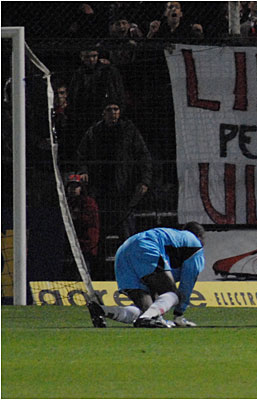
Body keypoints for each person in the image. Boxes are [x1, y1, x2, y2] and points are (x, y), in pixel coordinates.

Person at [76, 100, 152, 272]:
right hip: (101, 192)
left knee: (127, 236)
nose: (113, 113)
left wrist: (144, 181)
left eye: (116, 109)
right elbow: (81, 155)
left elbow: (144, 156)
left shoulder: (129, 131)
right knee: (98, 237)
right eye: (109, 109)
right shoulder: (94, 132)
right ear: (103, 113)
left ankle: (132, 273)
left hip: (124, 192)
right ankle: (99, 274)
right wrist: (83, 171)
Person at [87, 222, 206, 328]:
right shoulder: (195, 245)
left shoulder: (176, 241)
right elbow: (187, 283)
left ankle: (101, 310)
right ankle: (146, 319)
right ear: (199, 236)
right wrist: (179, 314)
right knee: (172, 295)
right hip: (146, 246)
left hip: (124, 250)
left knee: (148, 310)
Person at [67, 45, 126, 136]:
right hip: (85, 114)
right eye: (87, 57)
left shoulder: (109, 71)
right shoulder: (79, 74)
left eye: (94, 56)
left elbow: (118, 92)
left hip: (104, 112)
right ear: (81, 57)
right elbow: (73, 96)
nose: (91, 60)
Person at [66, 173, 100, 273]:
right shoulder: (68, 202)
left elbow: (89, 221)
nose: (73, 189)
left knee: (85, 268)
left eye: (76, 187)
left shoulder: (88, 202)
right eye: (70, 187)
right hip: (74, 242)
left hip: (86, 243)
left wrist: (74, 217)